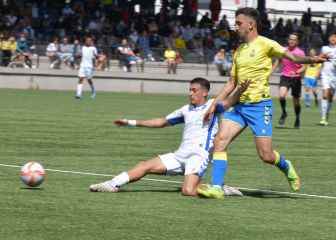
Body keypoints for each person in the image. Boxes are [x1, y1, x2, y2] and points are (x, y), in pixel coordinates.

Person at [197, 7, 326, 199]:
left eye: (239, 23)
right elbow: (231, 83)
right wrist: (214, 103)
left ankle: (286, 165)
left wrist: (311, 59)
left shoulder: (266, 44)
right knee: (219, 142)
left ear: (251, 24)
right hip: (239, 106)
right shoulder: (239, 50)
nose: (236, 26)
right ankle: (216, 188)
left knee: (266, 155)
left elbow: (292, 57)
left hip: (260, 107)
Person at [89, 77, 248, 196]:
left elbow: (229, 101)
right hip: (180, 155)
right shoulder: (185, 109)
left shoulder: (212, 106)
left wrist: (240, 89)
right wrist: (131, 122)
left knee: (188, 191)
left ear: (204, 92)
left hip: (199, 155)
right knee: (145, 165)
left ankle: (220, 188)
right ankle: (112, 184)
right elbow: (161, 122)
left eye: (194, 90)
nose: (190, 93)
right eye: (189, 89)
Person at [273, 33, 306, 128]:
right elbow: (278, 61)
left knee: (296, 102)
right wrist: (270, 71)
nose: (291, 41)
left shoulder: (300, 52)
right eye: (290, 39)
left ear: (297, 41)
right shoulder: (283, 50)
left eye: (294, 39)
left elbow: (304, 66)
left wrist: (296, 72)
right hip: (285, 77)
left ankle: (297, 117)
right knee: (281, 96)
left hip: (296, 78)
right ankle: (284, 113)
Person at [319, 33, 336, 126]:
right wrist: (323, 56)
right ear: (329, 38)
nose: (333, 38)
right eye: (331, 36)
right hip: (325, 74)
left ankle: (326, 113)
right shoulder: (324, 48)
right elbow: (319, 58)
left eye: (335, 37)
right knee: (325, 95)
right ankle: (323, 118)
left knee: (330, 97)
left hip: (334, 76)